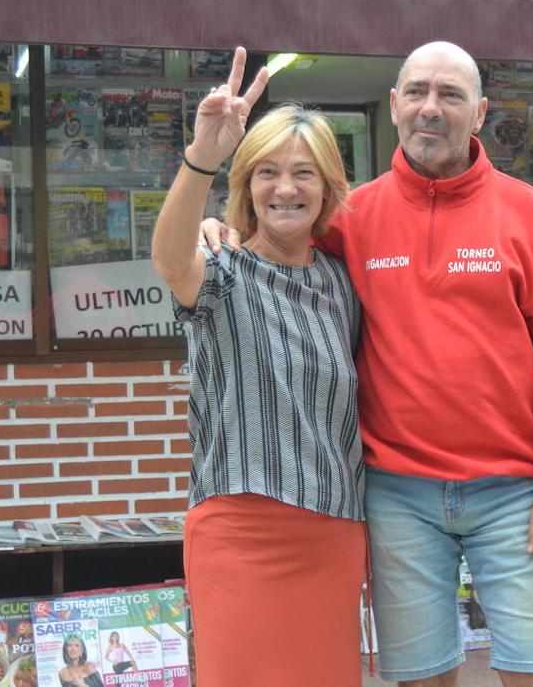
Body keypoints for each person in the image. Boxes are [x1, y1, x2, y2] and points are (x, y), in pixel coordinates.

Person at [203, 41, 533, 685]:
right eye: (418, 92)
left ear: (479, 113)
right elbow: (274, 229)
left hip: (515, 492)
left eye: (450, 95)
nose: (432, 108)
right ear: (394, 106)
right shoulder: (351, 217)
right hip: (397, 491)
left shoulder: (528, 215)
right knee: (422, 678)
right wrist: (216, 228)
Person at [152, 47, 365, 687]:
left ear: (328, 187)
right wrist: (203, 159)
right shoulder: (221, 271)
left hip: (334, 528)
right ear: (246, 186)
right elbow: (168, 260)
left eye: (304, 173)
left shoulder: (340, 283)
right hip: (240, 531)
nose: (286, 187)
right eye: (267, 171)